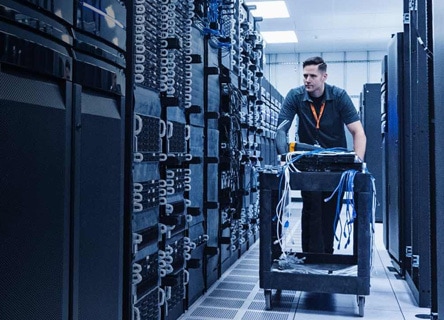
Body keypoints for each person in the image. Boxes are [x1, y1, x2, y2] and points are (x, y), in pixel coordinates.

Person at [275, 56, 366, 253]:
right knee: (311, 207)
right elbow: (281, 130)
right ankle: (309, 257)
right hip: (308, 162)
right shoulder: (295, 96)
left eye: (312, 76)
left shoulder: (339, 96)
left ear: (324, 76)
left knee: (330, 210)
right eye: (305, 75)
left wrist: (357, 164)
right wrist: (284, 158)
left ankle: (326, 255)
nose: (307, 80)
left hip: (335, 163)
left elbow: (358, 132)